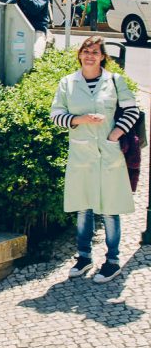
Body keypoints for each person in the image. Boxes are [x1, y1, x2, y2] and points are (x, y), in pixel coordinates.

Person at [51, 36, 139, 284]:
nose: (90, 55)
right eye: (86, 51)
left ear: (103, 57)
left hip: (109, 153)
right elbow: (56, 115)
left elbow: (132, 110)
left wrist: (115, 134)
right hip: (80, 155)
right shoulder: (67, 83)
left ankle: (112, 261)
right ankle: (83, 256)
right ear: (80, 54)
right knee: (83, 207)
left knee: (110, 210)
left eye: (95, 52)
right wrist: (80, 120)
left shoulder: (114, 81)